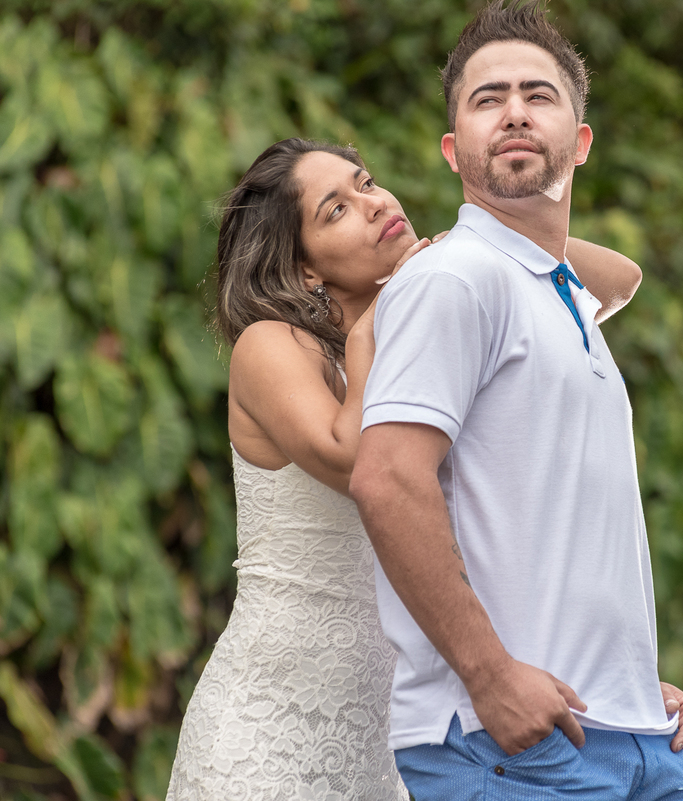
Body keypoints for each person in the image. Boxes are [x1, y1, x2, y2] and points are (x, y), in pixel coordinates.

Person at [164, 136, 649, 800]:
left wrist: (481, 242)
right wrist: (364, 333)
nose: (373, 203)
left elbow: (619, 280)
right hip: (270, 731)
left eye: (366, 182)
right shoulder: (269, 344)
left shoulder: (432, 324)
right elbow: (357, 458)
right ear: (306, 270)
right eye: (335, 210)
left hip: (395, 732)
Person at [350, 3, 683, 799]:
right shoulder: (455, 278)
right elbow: (387, 480)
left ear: (579, 141)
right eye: (487, 98)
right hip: (511, 752)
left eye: (538, 95)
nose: (513, 111)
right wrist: (491, 674)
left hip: (633, 737)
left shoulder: (565, 297)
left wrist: (632, 686)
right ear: (453, 150)